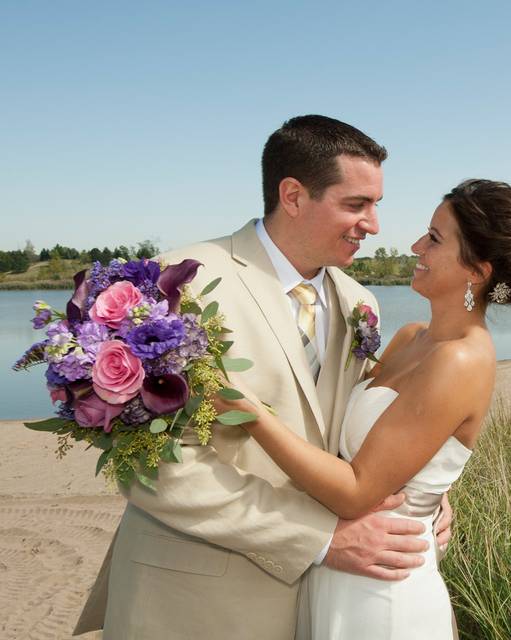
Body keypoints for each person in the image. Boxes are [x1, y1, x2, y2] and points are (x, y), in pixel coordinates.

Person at [74, 115, 452, 639]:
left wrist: (420, 495)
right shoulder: (176, 284)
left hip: (323, 607)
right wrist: (320, 538)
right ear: (293, 195)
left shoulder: (360, 303)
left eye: (376, 205)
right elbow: (151, 467)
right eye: (356, 204)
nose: (373, 225)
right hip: (191, 604)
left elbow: (359, 426)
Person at [214, 179, 511, 639]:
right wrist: (433, 493)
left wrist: (245, 409)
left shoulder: (463, 359)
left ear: (477, 271)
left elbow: (357, 492)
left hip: (384, 587)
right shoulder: (412, 337)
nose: (415, 246)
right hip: (340, 567)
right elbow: (380, 444)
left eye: (434, 238)